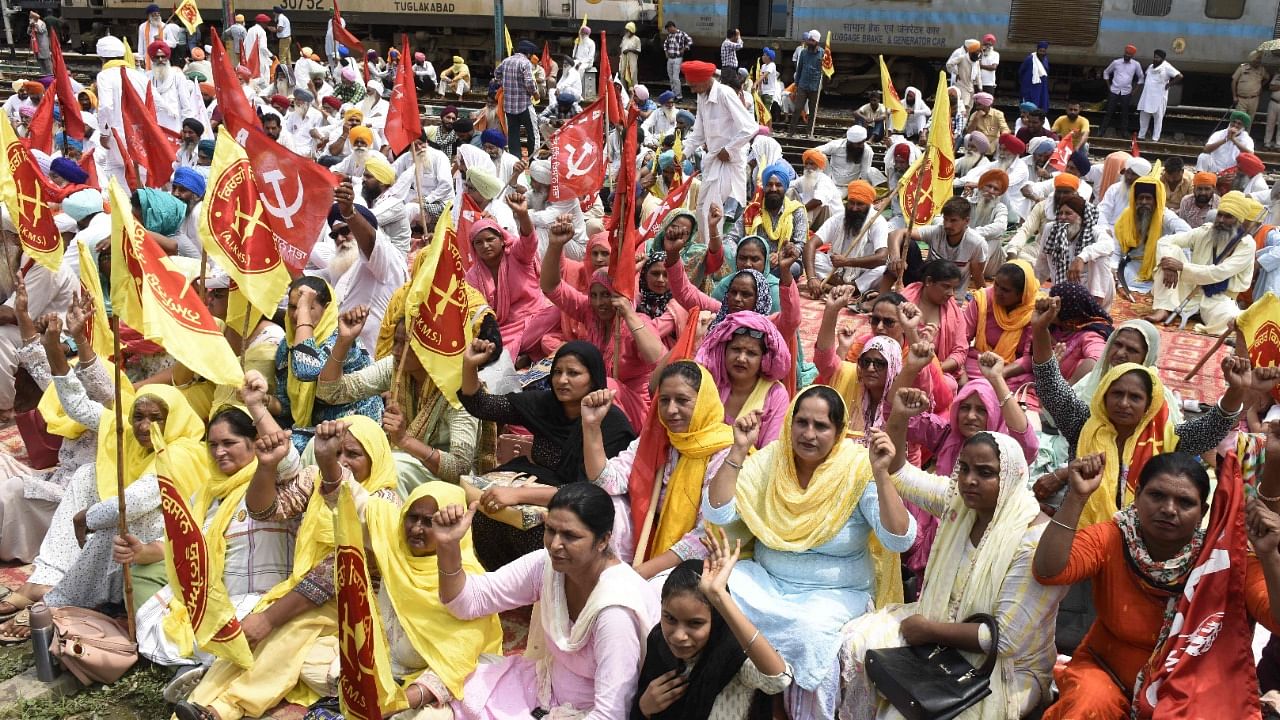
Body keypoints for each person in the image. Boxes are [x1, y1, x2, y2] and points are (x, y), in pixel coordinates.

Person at [702, 388, 914, 718]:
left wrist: (882, 474)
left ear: (839, 430)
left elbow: (899, 539)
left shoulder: (857, 468)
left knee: (808, 635)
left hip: (834, 594)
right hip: (767, 582)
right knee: (708, 590)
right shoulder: (773, 458)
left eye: (821, 426)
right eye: (801, 422)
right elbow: (718, 511)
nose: (808, 434)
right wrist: (739, 450)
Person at [173, 417, 401, 720]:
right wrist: (266, 467)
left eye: (353, 454)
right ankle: (197, 704)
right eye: (337, 454)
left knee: (288, 631)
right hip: (306, 593)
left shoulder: (385, 502)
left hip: (357, 603)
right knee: (249, 637)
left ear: (376, 457)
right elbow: (265, 510)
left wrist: (269, 618)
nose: (342, 461)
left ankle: (223, 709)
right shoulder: (316, 479)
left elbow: (335, 574)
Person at [839, 426, 1065, 720]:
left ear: (1011, 477)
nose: (969, 480)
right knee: (853, 644)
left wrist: (929, 631)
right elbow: (903, 475)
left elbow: (1003, 640)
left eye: (985, 473)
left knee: (900, 714)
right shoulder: (959, 502)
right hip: (938, 625)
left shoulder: (1032, 538)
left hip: (1004, 666)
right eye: (964, 468)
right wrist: (900, 421)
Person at [1034, 451, 1280, 719]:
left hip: (1192, 681)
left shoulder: (1220, 562)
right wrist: (1076, 497)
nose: (1169, 509)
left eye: (1185, 502)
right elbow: (1049, 571)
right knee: (1087, 706)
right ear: (1137, 495)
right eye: (1157, 496)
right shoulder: (1113, 536)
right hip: (1107, 670)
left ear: (1203, 512)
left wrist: (1269, 556)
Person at [434, 482, 660, 718]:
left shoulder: (615, 614)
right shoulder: (547, 566)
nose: (554, 544)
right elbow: (468, 601)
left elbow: (611, 714)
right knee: (452, 692)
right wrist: (448, 547)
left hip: (586, 714)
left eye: (570, 536)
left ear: (603, 541)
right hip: (542, 687)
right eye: (550, 530)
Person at [1029, 295, 1247, 526]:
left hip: (1144, 534)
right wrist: (1041, 329)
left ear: (1149, 403)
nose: (1123, 403)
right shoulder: (1083, 424)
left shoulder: (1167, 437)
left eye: (1134, 397)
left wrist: (1237, 388)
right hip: (1083, 531)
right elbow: (1051, 385)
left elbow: (1212, 427)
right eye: (1116, 394)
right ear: (1103, 395)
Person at [458, 340, 636, 569]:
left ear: (593, 378)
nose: (562, 380)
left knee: (541, 533)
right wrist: (469, 365)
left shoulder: (611, 425)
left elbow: (590, 492)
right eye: (558, 372)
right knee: (485, 514)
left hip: (579, 511)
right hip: (535, 490)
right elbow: (482, 406)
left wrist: (518, 496)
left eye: (573, 373)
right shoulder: (545, 405)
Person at [316, 292, 493, 495]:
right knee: (321, 446)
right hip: (402, 458)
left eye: (406, 345)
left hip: (446, 483)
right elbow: (330, 392)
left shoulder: (459, 388)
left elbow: (459, 468)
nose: (396, 351)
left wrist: (404, 441)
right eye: (396, 342)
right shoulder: (395, 367)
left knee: (393, 468)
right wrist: (344, 341)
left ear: (431, 348)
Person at [582, 361, 732, 574]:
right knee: (606, 505)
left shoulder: (724, 452)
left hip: (699, 560)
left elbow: (704, 536)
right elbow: (607, 482)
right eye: (664, 400)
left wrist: (639, 575)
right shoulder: (657, 437)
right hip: (649, 545)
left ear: (703, 402)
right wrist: (591, 427)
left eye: (682, 400)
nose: (671, 410)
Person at [633, 531, 792, 719]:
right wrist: (644, 707)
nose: (678, 636)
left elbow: (778, 680)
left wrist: (720, 597)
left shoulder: (731, 655)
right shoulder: (658, 643)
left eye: (695, 623)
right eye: (670, 619)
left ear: (716, 619)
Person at [540, 219, 665, 428]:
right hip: (594, 403)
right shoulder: (590, 311)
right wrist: (555, 245)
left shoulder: (637, 321)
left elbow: (656, 359)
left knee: (606, 385)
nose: (599, 303)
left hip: (633, 411)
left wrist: (627, 313)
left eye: (606, 295)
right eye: (594, 295)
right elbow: (551, 287)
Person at [270, 277, 383, 452]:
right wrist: (263, 401)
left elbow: (306, 369)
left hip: (352, 428)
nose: (296, 314)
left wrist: (303, 315)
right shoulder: (287, 346)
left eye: (308, 307)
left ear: (327, 308)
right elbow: (286, 407)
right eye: (293, 307)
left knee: (287, 448)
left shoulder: (341, 339)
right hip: (314, 428)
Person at [1145, 191, 1260, 333]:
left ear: (1238, 220)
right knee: (1170, 254)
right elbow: (1165, 241)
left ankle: (1201, 314)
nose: (1221, 220)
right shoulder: (1205, 231)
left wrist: (1181, 267)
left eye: (1228, 217)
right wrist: (1170, 267)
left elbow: (1220, 272)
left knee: (1232, 322)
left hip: (1219, 297)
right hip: (1191, 289)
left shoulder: (1246, 244)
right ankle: (1163, 308)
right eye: (1220, 215)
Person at [693, 312, 792, 448]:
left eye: (751, 353)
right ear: (724, 351)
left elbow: (769, 452)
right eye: (736, 349)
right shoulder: (710, 381)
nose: (741, 358)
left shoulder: (776, 395)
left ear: (764, 359)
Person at [683, 61, 756, 241]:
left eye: (694, 85)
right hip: (713, 160)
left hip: (729, 162)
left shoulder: (725, 93)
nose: (692, 90)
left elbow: (750, 127)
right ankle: (707, 248)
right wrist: (683, 153)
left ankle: (712, 253)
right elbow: (698, 133)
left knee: (712, 210)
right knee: (700, 208)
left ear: (706, 80)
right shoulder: (701, 97)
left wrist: (729, 149)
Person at [886, 196, 987, 293]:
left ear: (967, 221)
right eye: (945, 219)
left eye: (953, 221)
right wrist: (895, 257)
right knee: (907, 244)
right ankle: (885, 295)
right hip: (928, 286)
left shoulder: (976, 243)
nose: (947, 225)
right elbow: (895, 233)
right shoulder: (937, 231)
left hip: (952, 294)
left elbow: (978, 276)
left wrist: (985, 302)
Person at [806, 180, 887, 297]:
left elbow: (882, 257)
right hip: (836, 271)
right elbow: (811, 244)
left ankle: (846, 288)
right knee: (813, 256)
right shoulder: (838, 218)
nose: (854, 208)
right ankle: (843, 287)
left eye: (860, 204)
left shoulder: (878, 222)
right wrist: (811, 278)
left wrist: (848, 262)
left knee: (884, 269)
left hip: (862, 274)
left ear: (869, 205)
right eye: (851, 203)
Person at [965, 260, 1038, 387]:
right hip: (979, 363)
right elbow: (962, 339)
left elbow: (1030, 358)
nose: (997, 292)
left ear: (1022, 294)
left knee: (1031, 382)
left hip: (1012, 370)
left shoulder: (1035, 311)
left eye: (1005, 290)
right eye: (996, 285)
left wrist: (999, 375)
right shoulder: (982, 300)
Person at [1115, 172, 1191, 293]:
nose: (1144, 202)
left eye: (1148, 198)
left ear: (1156, 201)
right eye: (1141, 198)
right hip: (1133, 266)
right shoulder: (1127, 216)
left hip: (1159, 267)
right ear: (1135, 200)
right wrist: (1112, 268)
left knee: (1165, 285)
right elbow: (1116, 248)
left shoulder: (1165, 216)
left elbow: (1187, 233)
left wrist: (1171, 260)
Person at [1038, 193, 1116, 305]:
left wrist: (1081, 258)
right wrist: (1032, 288)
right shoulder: (1051, 229)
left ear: (1080, 216)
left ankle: (1095, 308)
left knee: (1101, 258)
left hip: (1088, 290)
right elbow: (1042, 262)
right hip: (1062, 289)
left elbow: (1109, 245)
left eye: (1068, 213)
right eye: (1060, 213)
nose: (1063, 217)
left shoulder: (1093, 231)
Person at [495, 41, 538, 159]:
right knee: (532, 133)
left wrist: (504, 85)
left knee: (513, 134)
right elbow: (529, 82)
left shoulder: (506, 61)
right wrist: (535, 93)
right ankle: (532, 159)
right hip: (524, 105)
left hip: (509, 106)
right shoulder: (525, 63)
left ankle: (515, 160)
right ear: (528, 54)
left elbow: (496, 73)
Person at [1136, 49, 1180, 142]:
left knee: (1158, 118)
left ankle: (1155, 138)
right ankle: (1141, 136)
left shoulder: (1167, 67)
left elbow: (1179, 76)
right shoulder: (1151, 66)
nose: (1155, 59)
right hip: (1147, 96)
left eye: (1157, 58)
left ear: (1162, 59)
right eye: (1154, 57)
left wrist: (1169, 84)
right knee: (1143, 116)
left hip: (1159, 97)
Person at [1101, 44, 1143, 139]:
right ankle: (1102, 131)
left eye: (1129, 54)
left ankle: (1124, 133)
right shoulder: (1116, 62)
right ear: (1124, 53)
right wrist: (1109, 86)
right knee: (1109, 112)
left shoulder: (1136, 65)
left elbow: (1141, 78)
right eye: (1126, 53)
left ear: (1133, 56)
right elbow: (1106, 72)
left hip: (1126, 92)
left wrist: (1135, 91)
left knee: (1125, 113)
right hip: (1114, 91)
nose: (1127, 55)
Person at [790, 31, 824, 136]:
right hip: (803, 85)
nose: (809, 42)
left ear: (817, 42)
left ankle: (809, 132)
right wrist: (796, 85)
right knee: (797, 109)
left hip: (815, 86)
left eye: (812, 40)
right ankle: (791, 131)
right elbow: (799, 69)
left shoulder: (823, 53)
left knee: (813, 111)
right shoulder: (803, 52)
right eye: (809, 39)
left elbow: (827, 69)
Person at [662, 21, 693, 101]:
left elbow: (690, 41)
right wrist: (666, 52)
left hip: (677, 58)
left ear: (672, 27)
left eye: (669, 29)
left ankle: (679, 96)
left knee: (675, 77)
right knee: (671, 77)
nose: (668, 31)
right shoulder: (670, 35)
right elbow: (665, 44)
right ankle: (673, 95)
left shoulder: (682, 34)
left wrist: (684, 48)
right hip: (670, 58)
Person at [1019, 42, 1049, 112]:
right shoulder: (1030, 59)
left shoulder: (1045, 60)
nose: (1042, 53)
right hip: (1030, 86)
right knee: (1029, 104)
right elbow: (1021, 71)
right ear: (1037, 50)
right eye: (1040, 51)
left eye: (1043, 51)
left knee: (1040, 103)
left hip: (1041, 87)